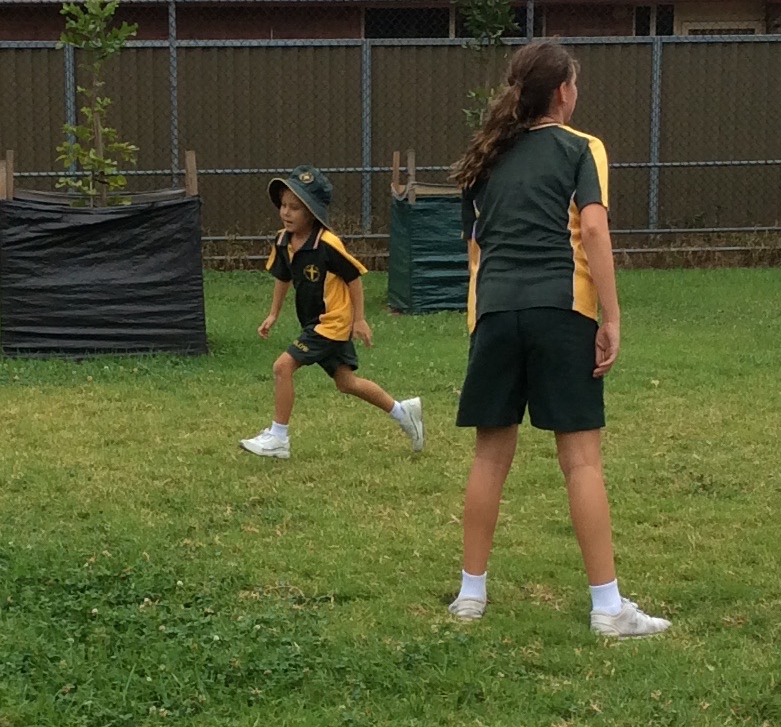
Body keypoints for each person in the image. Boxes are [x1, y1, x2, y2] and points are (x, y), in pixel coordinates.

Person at [444, 41, 667, 639]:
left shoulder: (484, 157)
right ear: (563, 92)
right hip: (563, 313)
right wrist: (611, 317)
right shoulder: (582, 147)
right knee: (582, 460)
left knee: (489, 457)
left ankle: (470, 596)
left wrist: (482, 323)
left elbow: (475, 250)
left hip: (494, 314)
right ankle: (607, 609)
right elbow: (593, 228)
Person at [240, 165, 424, 460]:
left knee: (282, 367)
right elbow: (283, 277)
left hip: (331, 323)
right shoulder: (283, 240)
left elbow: (354, 278)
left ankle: (278, 438)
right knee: (346, 383)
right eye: (283, 205)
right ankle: (403, 412)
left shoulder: (327, 244)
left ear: (311, 212)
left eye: (295, 207)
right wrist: (273, 314)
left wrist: (359, 319)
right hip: (314, 323)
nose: (286, 212)